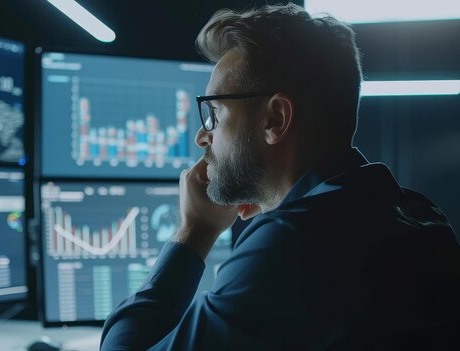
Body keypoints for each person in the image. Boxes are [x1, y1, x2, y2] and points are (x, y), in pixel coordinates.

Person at [100, 3, 460, 350]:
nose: (202, 136)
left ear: (275, 119)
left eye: (215, 113)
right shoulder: (417, 213)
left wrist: (194, 233)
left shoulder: (291, 246)